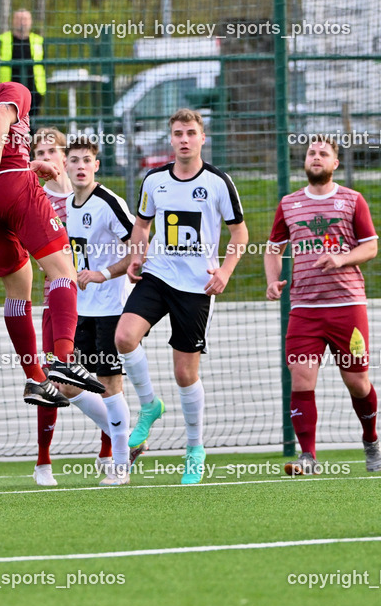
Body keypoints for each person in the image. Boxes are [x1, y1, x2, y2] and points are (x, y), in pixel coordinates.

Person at [0, 64, 104, 412]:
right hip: (11, 184)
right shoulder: (9, 89)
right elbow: (2, 118)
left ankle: (34, 376)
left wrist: (22, 165)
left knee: (19, 289)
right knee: (63, 270)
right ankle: (63, 358)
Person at [114, 109, 248, 485]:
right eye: (178, 133)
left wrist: (224, 272)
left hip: (196, 287)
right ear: (170, 139)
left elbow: (241, 235)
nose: (184, 139)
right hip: (157, 275)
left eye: (191, 132)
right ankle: (149, 406)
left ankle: (194, 447)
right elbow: (142, 224)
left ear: (203, 138)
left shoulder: (219, 183)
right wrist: (138, 255)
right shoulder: (155, 180)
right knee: (124, 337)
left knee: (185, 373)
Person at [265, 136, 379, 476]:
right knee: (301, 379)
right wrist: (273, 280)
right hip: (304, 309)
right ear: (305, 162)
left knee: (357, 382)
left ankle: (371, 440)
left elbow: (371, 247)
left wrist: (342, 258)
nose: (316, 157)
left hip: (348, 306)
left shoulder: (352, 200)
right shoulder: (289, 204)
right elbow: (273, 248)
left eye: (323, 153)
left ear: (335, 163)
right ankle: (309, 457)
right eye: (311, 153)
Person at [50, 138, 136, 487]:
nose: (81, 165)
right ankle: (128, 440)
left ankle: (120, 466)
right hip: (80, 307)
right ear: (66, 167)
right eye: (75, 160)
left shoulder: (109, 203)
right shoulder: (68, 204)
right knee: (66, 384)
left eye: (88, 160)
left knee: (111, 384)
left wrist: (104, 274)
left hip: (112, 308)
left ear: (96, 165)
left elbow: (139, 248)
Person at [0, 9, 46, 119]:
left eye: (25, 19)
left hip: (34, 89)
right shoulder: (3, 39)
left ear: (31, 21)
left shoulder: (38, 40)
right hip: (9, 89)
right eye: (19, 19)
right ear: (13, 21)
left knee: (32, 122)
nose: (22, 22)